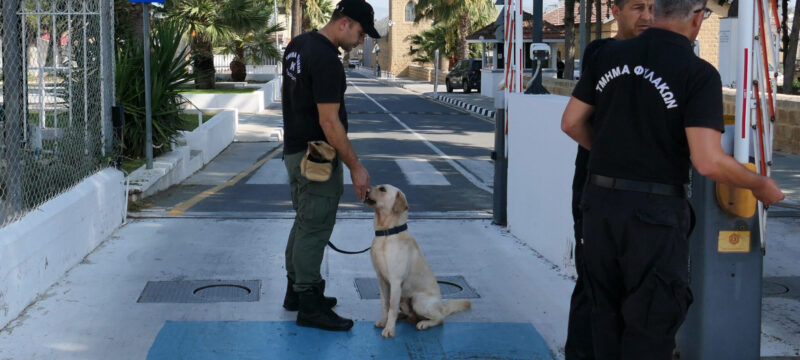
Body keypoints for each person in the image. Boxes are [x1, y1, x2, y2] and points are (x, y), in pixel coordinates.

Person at [561, 0, 785, 358]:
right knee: (651, 321)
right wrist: (759, 184)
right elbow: (708, 161)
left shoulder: (606, 56)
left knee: (603, 316)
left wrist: (612, 157)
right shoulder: (697, 73)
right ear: (697, 18)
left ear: (659, 11)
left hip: (599, 205)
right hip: (654, 215)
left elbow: (571, 122)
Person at [280, 0, 380, 331]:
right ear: (344, 23)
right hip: (318, 151)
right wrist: (355, 166)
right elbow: (329, 121)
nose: (361, 40)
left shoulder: (298, 45)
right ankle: (309, 303)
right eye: (361, 32)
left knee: (304, 220)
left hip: (295, 148)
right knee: (315, 225)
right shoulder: (326, 59)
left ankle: (296, 292)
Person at [565, 0, 653, 359]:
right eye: (637, 7)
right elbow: (574, 122)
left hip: (646, 197)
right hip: (595, 187)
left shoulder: (668, 56)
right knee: (595, 284)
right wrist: (609, 161)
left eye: (653, 7)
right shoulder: (602, 52)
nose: (647, 16)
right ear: (615, 12)